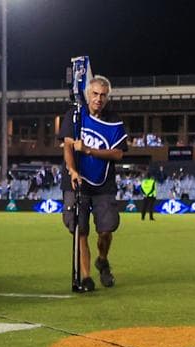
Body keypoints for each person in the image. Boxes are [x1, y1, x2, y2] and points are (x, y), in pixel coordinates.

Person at [61, 75, 128, 292]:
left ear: (108, 98)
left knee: (106, 230)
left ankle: (102, 259)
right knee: (80, 229)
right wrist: (72, 171)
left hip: (103, 184)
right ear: (88, 94)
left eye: (103, 95)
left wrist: (89, 150)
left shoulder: (114, 121)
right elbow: (68, 147)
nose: (98, 99)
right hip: (77, 181)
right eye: (95, 94)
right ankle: (87, 277)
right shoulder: (74, 115)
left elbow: (118, 154)